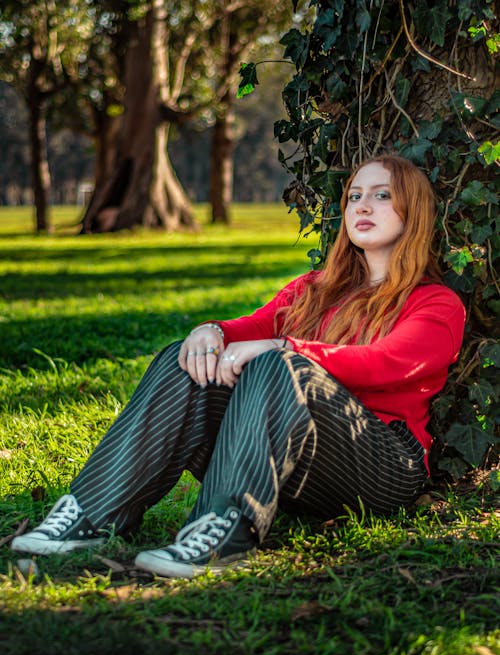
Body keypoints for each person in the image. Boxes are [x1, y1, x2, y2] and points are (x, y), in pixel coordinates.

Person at [10, 155, 466, 579]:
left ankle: (220, 533)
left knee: (280, 363)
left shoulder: (436, 303)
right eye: (355, 196)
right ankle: (91, 512)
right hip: (297, 463)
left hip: (382, 466)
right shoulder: (315, 289)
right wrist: (213, 332)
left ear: (414, 211)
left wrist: (283, 348)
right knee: (183, 357)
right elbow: (252, 326)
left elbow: (387, 363)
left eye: (382, 195)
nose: (364, 205)